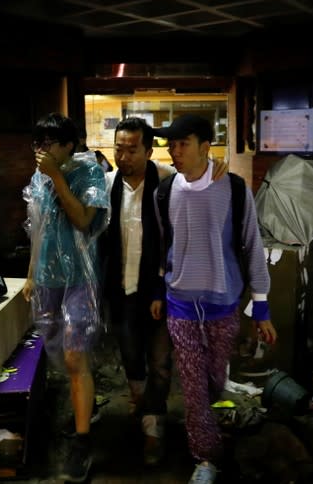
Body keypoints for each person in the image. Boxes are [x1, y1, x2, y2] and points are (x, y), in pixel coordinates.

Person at [154, 114, 278, 484]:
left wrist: (262, 307)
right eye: (171, 145)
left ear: (206, 147)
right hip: (180, 303)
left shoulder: (235, 189)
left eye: (183, 144)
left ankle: (207, 423)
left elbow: (253, 246)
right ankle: (206, 458)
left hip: (223, 302)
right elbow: (164, 246)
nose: (175, 152)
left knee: (213, 378)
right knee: (192, 384)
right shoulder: (165, 191)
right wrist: (159, 290)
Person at [103, 117, 228, 466]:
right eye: (119, 149)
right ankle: (141, 404)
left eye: (131, 150)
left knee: (160, 362)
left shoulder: (168, 181)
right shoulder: (107, 182)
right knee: (130, 357)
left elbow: (200, 185)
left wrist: (216, 165)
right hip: (120, 289)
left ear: (148, 150)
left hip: (161, 289)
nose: (123, 156)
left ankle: (153, 427)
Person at [21, 112, 110, 482]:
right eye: (37, 143)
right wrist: (29, 275)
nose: (41, 151)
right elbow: (36, 229)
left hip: (78, 280)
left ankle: (83, 442)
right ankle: (84, 407)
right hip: (47, 279)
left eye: (49, 143)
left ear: (69, 145)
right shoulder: (38, 178)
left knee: (75, 357)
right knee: (60, 354)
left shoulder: (88, 172)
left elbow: (84, 220)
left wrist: (57, 177)